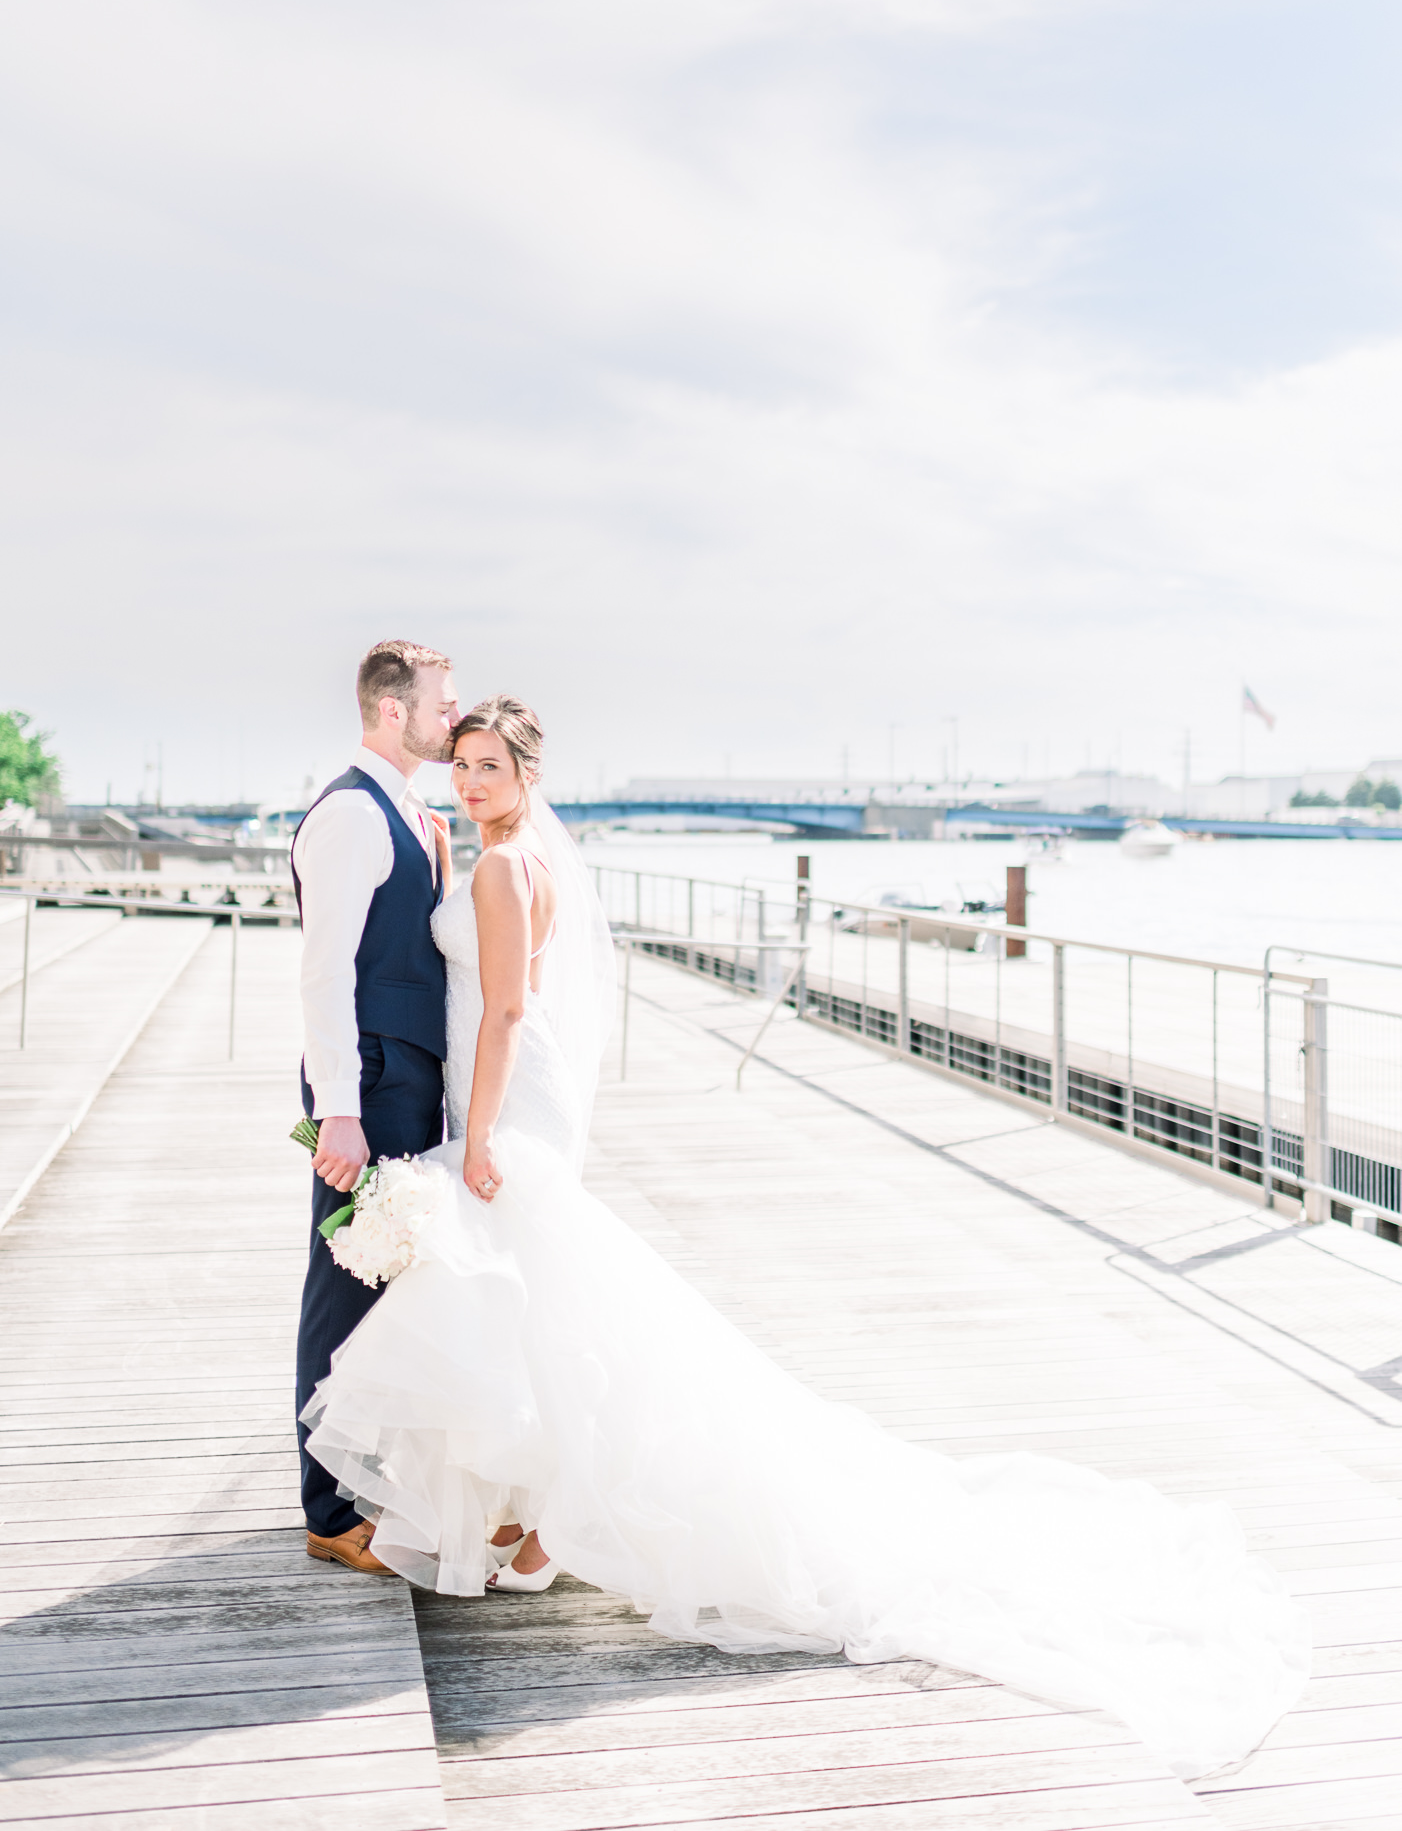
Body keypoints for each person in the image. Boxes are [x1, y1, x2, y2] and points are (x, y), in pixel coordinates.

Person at [300, 695, 1309, 1777]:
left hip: (504, 1096)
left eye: (488, 767)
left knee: (531, 1289)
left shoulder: (504, 870)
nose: (469, 783)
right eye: (460, 767)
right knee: (536, 1294)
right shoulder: (512, 855)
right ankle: (539, 1519)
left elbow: (502, 1010)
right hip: (508, 1090)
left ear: (527, 771)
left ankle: (546, 1521)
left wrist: (482, 1129)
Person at [292, 637, 459, 1570]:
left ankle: (372, 1481)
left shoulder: (402, 812)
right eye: (443, 704)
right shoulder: (352, 817)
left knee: (390, 1285)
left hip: (406, 1082)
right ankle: (329, 1512)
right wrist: (341, 1110)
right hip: (372, 1087)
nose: (452, 717)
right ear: (394, 710)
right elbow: (325, 976)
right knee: (343, 1290)